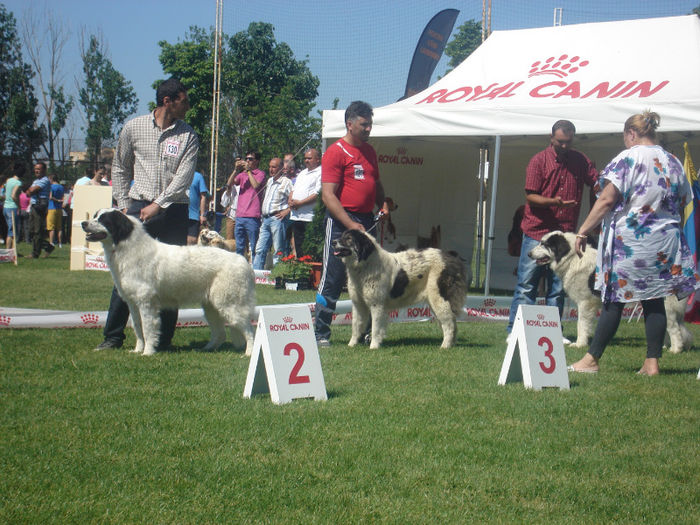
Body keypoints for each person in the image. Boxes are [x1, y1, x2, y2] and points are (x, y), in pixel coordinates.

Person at [569, 111, 699, 376]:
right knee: (654, 300)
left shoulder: (627, 158)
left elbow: (606, 199)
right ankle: (652, 363)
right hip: (665, 242)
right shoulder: (673, 161)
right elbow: (686, 198)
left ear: (631, 134)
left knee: (613, 300)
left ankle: (591, 360)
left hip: (631, 242)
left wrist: (583, 230)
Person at [96, 77, 199, 351]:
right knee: (125, 274)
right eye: (184, 100)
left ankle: (162, 341)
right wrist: (121, 203)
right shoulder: (134, 127)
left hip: (173, 211)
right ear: (168, 101)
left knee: (171, 277)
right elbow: (120, 167)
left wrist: (159, 204)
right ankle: (113, 337)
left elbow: (184, 177)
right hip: (136, 210)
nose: (188, 105)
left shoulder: (188, 135)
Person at [506, 120, 598, 338]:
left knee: (558, 288)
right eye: (560, 142)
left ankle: (553, 333)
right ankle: (515, 331)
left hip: (565, 234)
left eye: (568, 142)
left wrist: (601, 193)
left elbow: (596, 182)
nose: (565, 146)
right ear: (551, 138)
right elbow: (530, 196)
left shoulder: (580, 160)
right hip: (537, 231)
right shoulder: (538, 161)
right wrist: (553, 202)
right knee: (527, 284)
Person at [314, 101, 387, 347]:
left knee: (369, 279)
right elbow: (328, 196)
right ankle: (321, 333)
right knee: (332, 278)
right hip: (341, 224)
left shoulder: (369, 152)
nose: (368, 129)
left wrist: (383, 204)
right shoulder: (335, 152)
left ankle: (366, 333)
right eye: (364, 124)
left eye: (370, 125)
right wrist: (349, 224)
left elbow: (375, 184)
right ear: (350, 124)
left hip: (366, 222)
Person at [253, 157, 293, 269]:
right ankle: (256, 274)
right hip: (265, 219)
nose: (271, 169)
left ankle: (277, 275)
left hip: (277, 219)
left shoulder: (286, 182)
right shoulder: (269, 181)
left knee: (278, 249)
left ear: (281, 168)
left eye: (274, 167)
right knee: (260, 248)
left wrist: (287, 211)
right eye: (270, 166)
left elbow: (293, 200)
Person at [289, 148, 322, 257]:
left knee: (309, 249)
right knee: (298, 247)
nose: (306, 160)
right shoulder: (302, 173)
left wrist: (300, 203)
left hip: (309, 217)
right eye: (305, 158)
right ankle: (300, 269)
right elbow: (293, 189)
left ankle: (310, 271)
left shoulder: (321, 172)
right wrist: (290, 200)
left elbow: (317, 194)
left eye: (309, 158)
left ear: (317, 159)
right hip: (296, 216)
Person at [232, 151, 265, 259]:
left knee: (254, 246)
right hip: (240, 216)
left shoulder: (260, 174)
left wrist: (249, 172)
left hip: (253, 216)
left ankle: (255, 268)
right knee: (239, 247)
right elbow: (229, 183)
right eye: (246, 159)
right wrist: (235, 170)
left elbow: (256, 185)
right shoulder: (242, 175)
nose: (247, 161)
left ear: (257, 161)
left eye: (250, 159)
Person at [25, 162, 55, 258]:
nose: (36, 171)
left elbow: (32, 191)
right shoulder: (36, 181)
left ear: (44, 170)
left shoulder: (44, 180)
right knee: (31, 230)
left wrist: (30, 190)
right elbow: (28, 193)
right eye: (35, 169)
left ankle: (35, 253)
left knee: (37, 231)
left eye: (39, 169)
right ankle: (48, 246)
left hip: (39, 207)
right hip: (33, 206)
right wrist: (29, 190)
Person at [3, 163, 23, 250]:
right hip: (12, 208)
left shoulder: (8, 180)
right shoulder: (18, 182)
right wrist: (19, 206)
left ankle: (12, 250)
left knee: (10, 228)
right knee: (12, 231)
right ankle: (9, 251)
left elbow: (5, 193)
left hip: (5, 207)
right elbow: (14, 195)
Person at [186, 170, 209, 245]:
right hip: (178, 214)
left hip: (193, 215)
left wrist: (202, 214)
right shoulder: (175, 174)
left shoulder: (198, 176)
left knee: (191, 242)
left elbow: (203, 196)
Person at [47, 173, 64, 248]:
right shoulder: (61, 187)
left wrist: (56, 200)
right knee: (59, 227)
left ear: (51, 179)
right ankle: (60, 243)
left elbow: (50, 197)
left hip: (52, 208)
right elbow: (63, 196)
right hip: (59, 208)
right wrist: (60, 200)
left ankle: (51, 242)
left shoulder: (51, 187)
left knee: (51, 227)